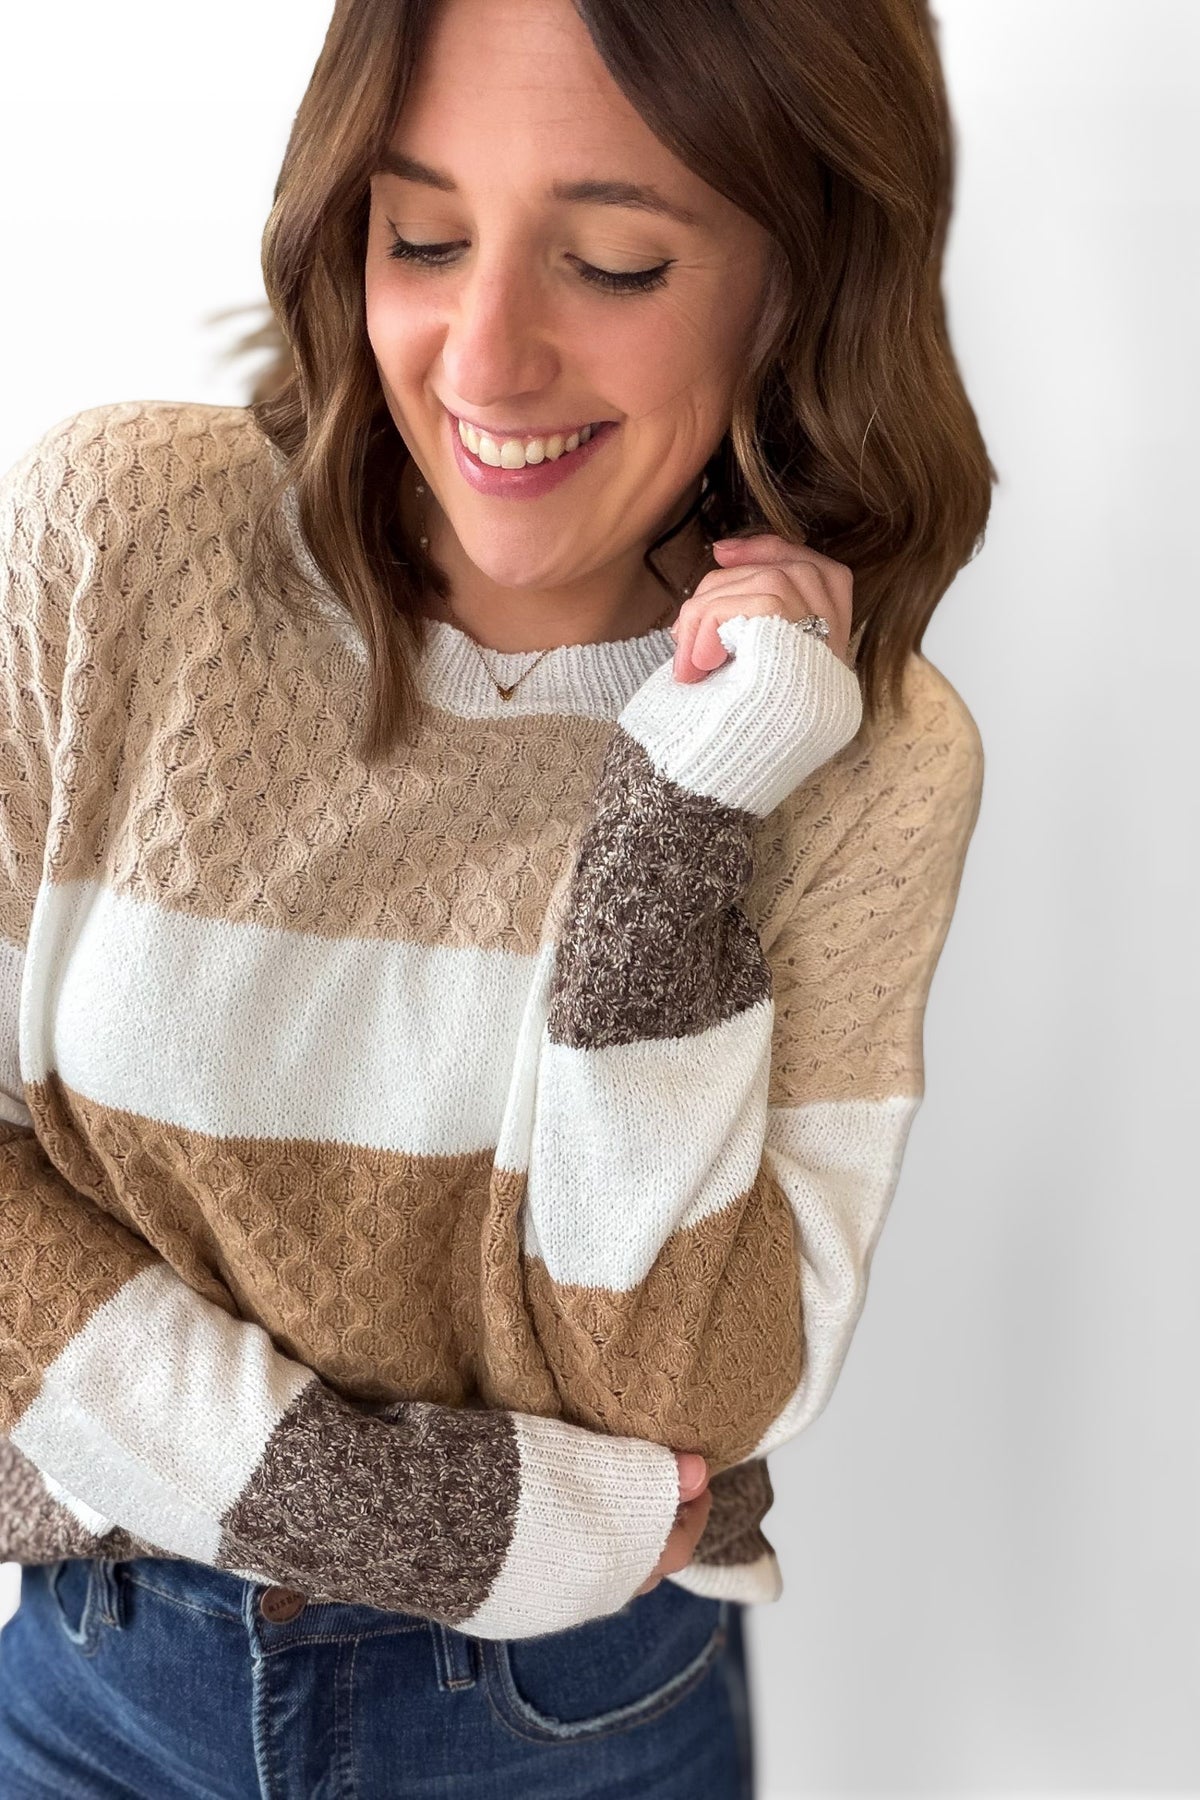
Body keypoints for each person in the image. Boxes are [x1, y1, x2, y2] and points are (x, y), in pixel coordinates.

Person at [0, 0, 991, 1792]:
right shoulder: (122, 537)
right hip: (97, 1690)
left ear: (804, 280)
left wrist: (686, 804)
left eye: (614, 263)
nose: (484, 358)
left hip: (569, 1727)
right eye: (424, 237)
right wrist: (412, 1512)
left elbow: (688, 1399)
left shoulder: (860, 757)